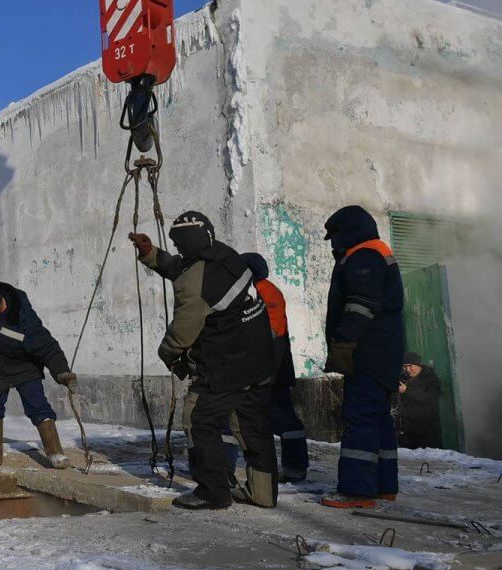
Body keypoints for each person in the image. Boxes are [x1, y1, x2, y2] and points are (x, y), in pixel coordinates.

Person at [129, 211, 278, 510]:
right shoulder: (227, 257)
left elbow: (181, 335)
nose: (180, 251)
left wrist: (168, 355)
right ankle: (262, 493)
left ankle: (212, 492)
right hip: (260, 361)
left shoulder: (195, 281)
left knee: (199, 420)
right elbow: (186, 269)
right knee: (252, 428)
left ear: (188, 244)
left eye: (180, 245)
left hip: (225, 366)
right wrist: (152, 254)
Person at [320, 205, 405, 509]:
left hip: (368, 351)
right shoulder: (378, 251)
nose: (332, 245)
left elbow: (360, 304)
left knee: (360, 417)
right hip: (384, 352)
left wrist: (343, 342)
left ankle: (357, 489)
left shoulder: (363, 255)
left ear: (348, 232)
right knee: (379, 418)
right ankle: (384, 485)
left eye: (334, 237)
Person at [0, 282, 77, 469]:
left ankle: (55, 453)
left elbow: (46, 345)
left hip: (25, 366)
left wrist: (62, 372)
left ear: (3, 302)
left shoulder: (22, 315)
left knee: (37, 406)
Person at [241, 253, 309, 483]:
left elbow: (271, 332)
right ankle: (290, 469)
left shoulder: (264, 290)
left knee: (282, 420)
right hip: (270, 371)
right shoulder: (258, 290)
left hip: (271, 373)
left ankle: (294, 469)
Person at [397, 351, 444, 449]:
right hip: (408, 433)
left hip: (427, 432)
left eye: (410, 365)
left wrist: (407, 390)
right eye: (405, 366)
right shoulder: (403, 378)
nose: (408, 369)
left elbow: (430, 399)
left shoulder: (431, 379)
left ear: (419, 364)